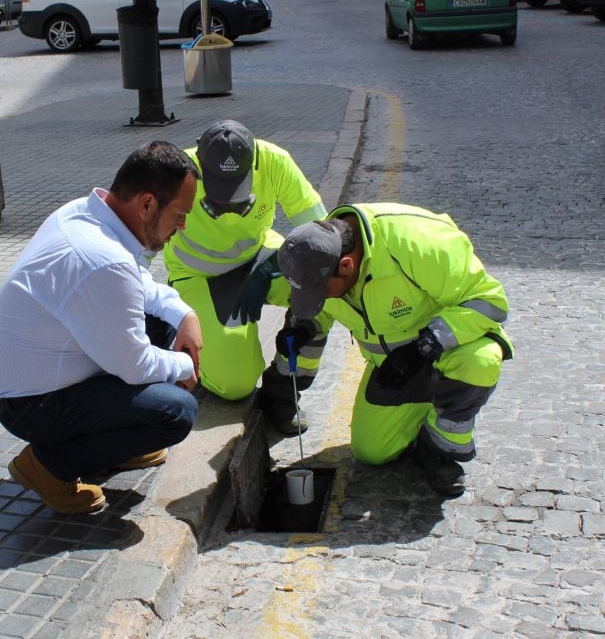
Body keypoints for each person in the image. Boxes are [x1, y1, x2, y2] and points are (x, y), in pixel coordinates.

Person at [0, 142, 203, 515]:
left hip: (42, 376)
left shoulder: (86, 214)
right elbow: (134, 365)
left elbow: (138, 286)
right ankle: (49, 467)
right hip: (30, 404)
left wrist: (185, 315)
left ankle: (121, 445)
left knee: (165, 326)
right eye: (180, 214)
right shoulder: (102, 260)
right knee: (176, 412)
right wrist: (187, 366)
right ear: (147, 204)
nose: (182, 226)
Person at [277, 203, 512, 498]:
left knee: (480, 360)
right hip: (394, 368)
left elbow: (488, 301)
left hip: (448, 350)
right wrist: (303, 329)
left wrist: (425, 347)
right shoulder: (315, 254)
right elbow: (317, 309)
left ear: (347, 265)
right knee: (372, 452)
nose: (319, 297)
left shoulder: (418, 243)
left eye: (321, 292)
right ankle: (422, 405)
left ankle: (438, 449)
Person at [162, 120, 330, 435]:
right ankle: (201, 342)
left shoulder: (275, 161)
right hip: (199, 274)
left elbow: (321, 233)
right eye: (219, 196)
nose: (227, 208)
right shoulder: (176, 171)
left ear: (254, 164)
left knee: (327, 294)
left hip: (259, 257)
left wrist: (270, 269)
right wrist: (168, 311)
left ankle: (283, 388)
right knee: (234, 385)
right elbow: (137, 254)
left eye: (236, 195)